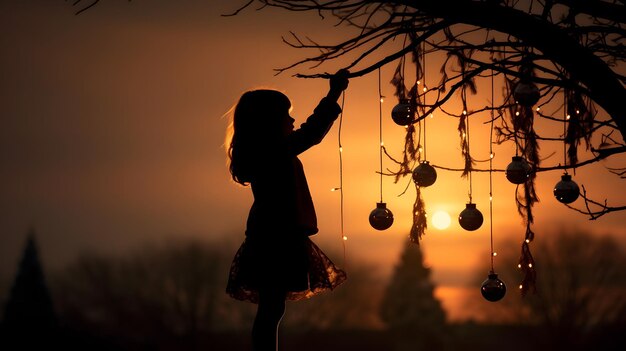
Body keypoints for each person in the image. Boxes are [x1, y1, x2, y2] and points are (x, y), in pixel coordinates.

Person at [225, 69, 349, 351]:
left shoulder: (266, 152)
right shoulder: (271, 152)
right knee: (271, 309)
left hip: (276, 235)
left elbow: (308, 134)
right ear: (269, 121)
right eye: (286, 115)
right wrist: (333, 94)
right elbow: (312, 133)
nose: (292, 120)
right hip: (274, 238)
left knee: (272, 308)